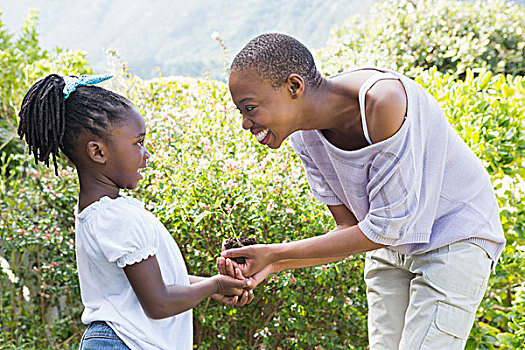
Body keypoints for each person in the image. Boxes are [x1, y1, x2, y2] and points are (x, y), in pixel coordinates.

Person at [218, 33, 506, 349]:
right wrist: (270, 265)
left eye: (250, 107)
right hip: (391, 244)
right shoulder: (303, 136)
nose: (245, 123)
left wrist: (275, 255)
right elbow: (352, 228)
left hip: (454, 236)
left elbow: (383, 227)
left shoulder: (383, 103)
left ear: (294, 87)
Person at [18, 74, 253, 350]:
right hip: (124, 343)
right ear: (97, 152)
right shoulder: (115, 218)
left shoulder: (104, 212)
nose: (146, 154)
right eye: (138, 142)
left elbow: (151, 281)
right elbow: (159, 302)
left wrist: (213, 286)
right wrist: (213, 286)